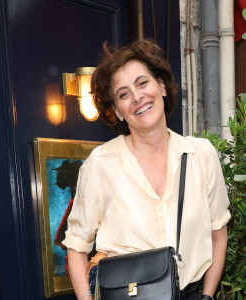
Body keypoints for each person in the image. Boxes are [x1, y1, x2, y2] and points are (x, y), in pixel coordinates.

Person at [62, 39, 230, 300]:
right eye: (123, 94)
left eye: (142, 83)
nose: (137, 97)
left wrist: (207, 296)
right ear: (117, 111)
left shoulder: (201, 155)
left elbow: (218, 235)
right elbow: (76, 247)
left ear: (161, 86)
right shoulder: (100, 164)